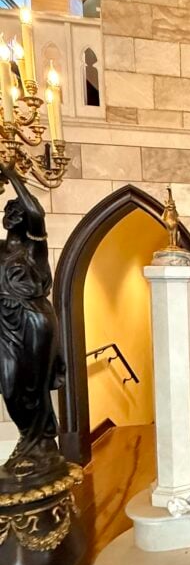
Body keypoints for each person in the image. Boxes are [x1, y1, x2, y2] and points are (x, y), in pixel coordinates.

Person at [0, 164, 66, 477]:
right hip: (5, 321)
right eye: (8, 208)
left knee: (35, 386)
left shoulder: (33, 245)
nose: (12, 211)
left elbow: (36, 211)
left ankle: (41, 443)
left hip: (34, 317)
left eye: (17, 208)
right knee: (11, 385)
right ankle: (29, 439)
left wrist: (9, 171)